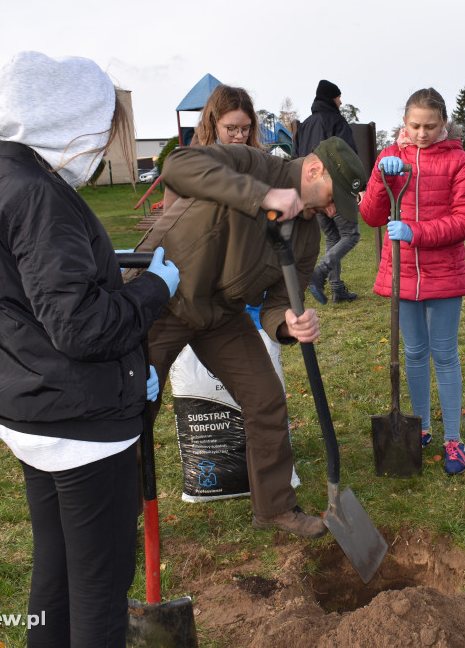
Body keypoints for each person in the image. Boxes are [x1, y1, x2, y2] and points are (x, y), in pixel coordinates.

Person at [0, 51, 181, 647]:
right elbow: (81, 328)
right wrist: (156, 290)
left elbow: (40, 304)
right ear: (67, 123)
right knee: (99, 594)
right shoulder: (41, 198)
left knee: (55, 575)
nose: (99, 150)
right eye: (98, 134)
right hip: (81, 428)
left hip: (36, 411)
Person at [139, 136, 367, 537]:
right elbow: (177, 167)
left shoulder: (307, 234)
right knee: (134, 407)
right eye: (333, 199)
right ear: (314, 170)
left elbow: (280, 302)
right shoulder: (252, 165)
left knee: (265, 397)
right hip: (165, 298)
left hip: (221, 314)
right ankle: (118, 521)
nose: (332, 211)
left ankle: (275, 508)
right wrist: (262, 195)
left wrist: (288, 324)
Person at [362, 88, 465, 476]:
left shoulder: (458, 161)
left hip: (443, 272)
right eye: (414, 125)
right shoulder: (389, 157)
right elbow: (370, 214)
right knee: (413, 353)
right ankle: (421, 426)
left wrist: (416, 232)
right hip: (402, 273)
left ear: (443, 124)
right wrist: (382, 178)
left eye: (430, 126)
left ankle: (454, 438)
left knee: (444, 354)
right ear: (404, 123)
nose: (421, 133)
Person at [295, 80, 362, 304]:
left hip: (311, 192)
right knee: (351, 234)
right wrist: (355, 186)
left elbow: (296, 159)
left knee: (333, 236)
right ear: (331, 98)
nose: (341, 101)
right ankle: (321, 271)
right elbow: (349, 155)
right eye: (338, 97)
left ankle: (336, 288)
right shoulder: (336, 120)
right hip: (335, 190)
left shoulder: (304, 125)